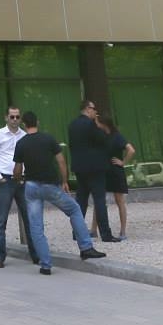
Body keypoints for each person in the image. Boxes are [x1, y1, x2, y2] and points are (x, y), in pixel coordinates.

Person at [12, 111, 105, 275]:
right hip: (50, 186)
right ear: (37, 122)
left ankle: (45, 265)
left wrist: (19, 180)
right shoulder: (48, 139)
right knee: (74, 209)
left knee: (36, 226)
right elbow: (61, 161)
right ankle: (86, 248)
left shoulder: (21, 143)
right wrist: (64, 181)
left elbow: (17, 169)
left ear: (24, 125)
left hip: (31, 187)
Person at [0, 104, 39, 268]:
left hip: (22, 180)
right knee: (1, 220)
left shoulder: (24, 136)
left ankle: (36, 255)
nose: (15, 119)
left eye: (17, 117)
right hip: (6, 180)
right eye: (12, 116)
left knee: (29, 218)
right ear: (6, 118)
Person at [67, 98, 118, 242]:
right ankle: (105, 234)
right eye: (94, 109)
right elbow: (104, 140)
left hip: (80, 167)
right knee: (99, 200)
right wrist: (99, 127)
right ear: (88, 109)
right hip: (95, 168)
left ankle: (77, 232)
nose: (96, 112)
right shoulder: (91, 124)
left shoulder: (72, 125)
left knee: (81, 201)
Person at [101, 113, 136, 240]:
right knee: (100, 200)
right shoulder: (103, 136)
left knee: (118, 200)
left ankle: (123, 231)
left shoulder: (117, 136)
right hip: (106, 171)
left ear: (104, 124)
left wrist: (123, 162)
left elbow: (131, 150)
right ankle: (94, 229)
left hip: (115, 172)